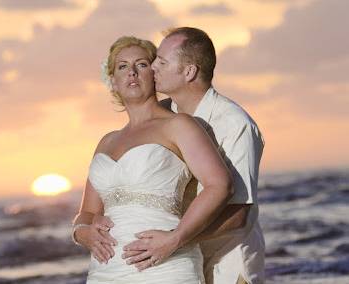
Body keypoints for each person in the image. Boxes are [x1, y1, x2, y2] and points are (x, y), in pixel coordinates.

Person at [72, 36, 233, 283]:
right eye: (122, 66)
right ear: (113, 81)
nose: (132, 72)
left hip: (166, 265)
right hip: (106, 270)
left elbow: (219, 185)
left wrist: (175, 238)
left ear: (154, 74)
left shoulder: (179, 125)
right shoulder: (106, 142)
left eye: (142, 64)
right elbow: (87, 213)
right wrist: (83, 233)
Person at [121, 27, 265, 284]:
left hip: (228, 265)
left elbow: (240, 214)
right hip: (179, 261)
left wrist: (174, 238)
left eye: (162, 62)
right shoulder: (164, 115)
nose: (153, 67)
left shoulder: (235, 124)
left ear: (189, 72)